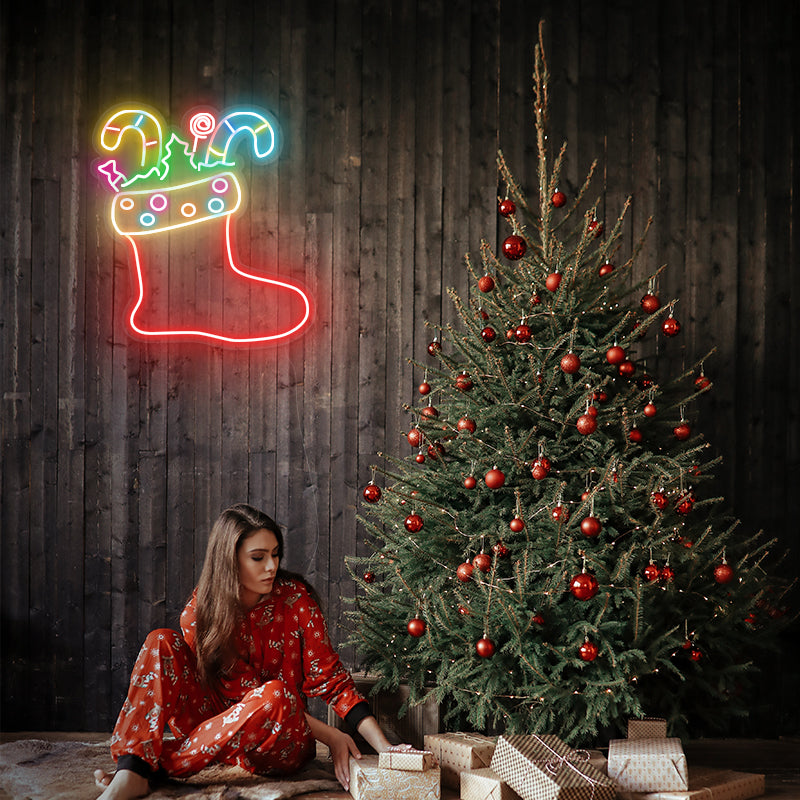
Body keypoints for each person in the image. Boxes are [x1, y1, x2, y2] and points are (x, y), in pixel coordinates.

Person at [94, 503, 392, 800]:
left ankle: (139, 768)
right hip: (213, 728)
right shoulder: (201, 611)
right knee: (159, 641)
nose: (272, 566)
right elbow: (240, 692)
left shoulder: (296, 600)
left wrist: (385, 749)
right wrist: (332, 735)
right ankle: (136, 770)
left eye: (275, 554)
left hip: (279, 740)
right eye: (258, 558)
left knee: (275, 694)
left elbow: (333, 681)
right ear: (229, 561)